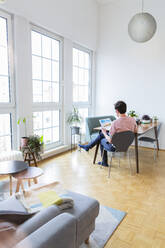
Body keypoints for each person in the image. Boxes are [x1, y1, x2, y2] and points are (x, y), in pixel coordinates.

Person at [79, 101, 137, 166]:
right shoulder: (132, 120)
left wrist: (104, 133)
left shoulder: (115, 123)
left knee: (101, 138)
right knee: (102, 134)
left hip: (115, 147)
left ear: (117, 111)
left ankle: (103, 162)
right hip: (126, 145)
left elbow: (110, 140)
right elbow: (135, 131)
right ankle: (88, 147)